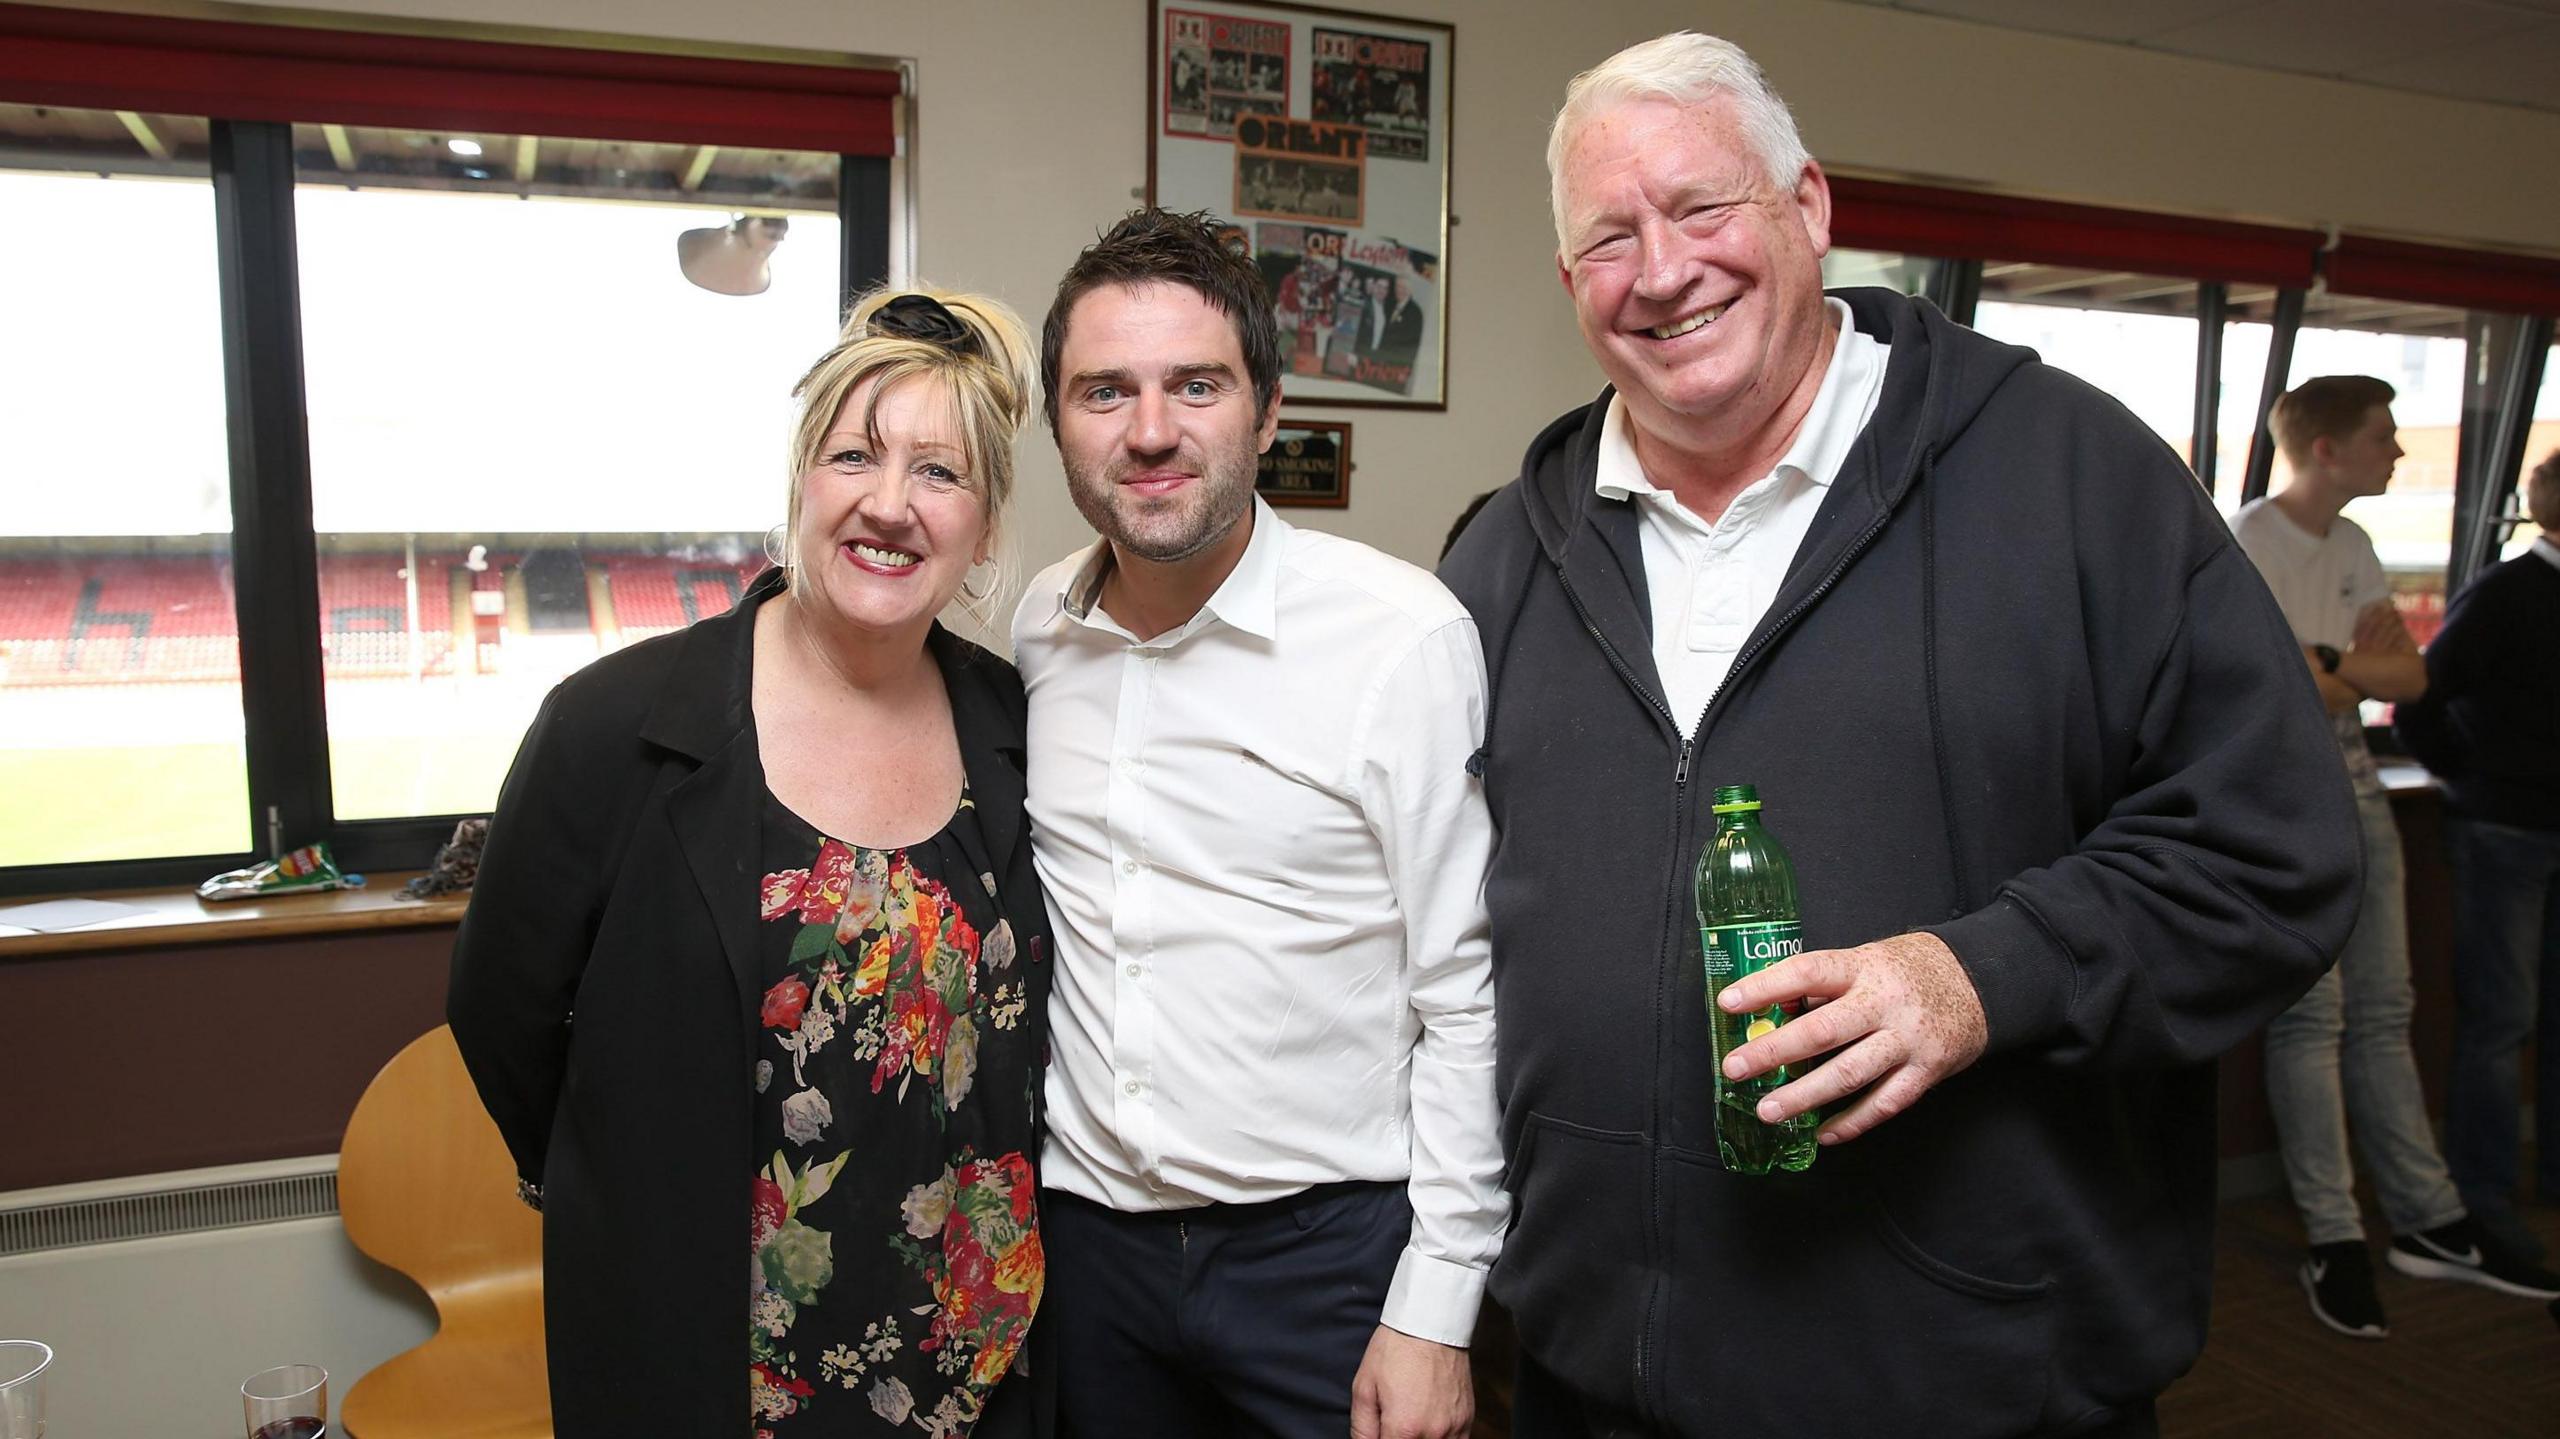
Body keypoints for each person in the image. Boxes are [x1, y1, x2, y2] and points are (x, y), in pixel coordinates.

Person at [1436, 32, 2361, 1437]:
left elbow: (2272, 850)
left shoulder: (2072, 478)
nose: (1663, 269)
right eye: (1609, 238)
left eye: (1700, 209)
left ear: (1807, 207)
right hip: (1590, 1369)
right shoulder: (1502, 557)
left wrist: (1981, 971)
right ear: (1573, 286)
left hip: (1969, 1377)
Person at [448, 288, 1053, 1436]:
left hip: (981, 1368)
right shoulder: (611, 726)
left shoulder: (1021, 726)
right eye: (853, 455)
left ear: (982, 520)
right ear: (800, 479)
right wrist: (633, 1177)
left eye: (940, 472)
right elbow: (501, 1016)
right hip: (712, 1368)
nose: (890, 504)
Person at [1015, 207, 1503, 1439]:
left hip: (1331, 1259)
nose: (1151, 431)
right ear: (1056, 423)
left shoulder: (1402, 638)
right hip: (1088, 1252)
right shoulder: (1034, 631)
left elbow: (1468, 992)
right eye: (1102, 391)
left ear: (1268, 410)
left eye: (1195, 384)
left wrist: (1435, 1308)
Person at [2234, 377, 2560, 1337]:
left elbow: (2405, 677)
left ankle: (2429, 1221)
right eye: (2384, 436)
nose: (2400, 454)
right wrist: (2341, 665)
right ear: (2327, 448)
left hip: (2366, 798)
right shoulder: (2250, 539)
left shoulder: (2357, 544)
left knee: (2388, 1010)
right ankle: (2335, 1238)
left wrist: (2321, 661)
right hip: (2282, 809)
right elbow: (2266, 684)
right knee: (2314, 1020)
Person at [2395, 448, 2560, 1263]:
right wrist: (2471, 777)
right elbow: (2419, 694)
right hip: (2504, 832)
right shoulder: (2500, 594)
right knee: (2504, 1017)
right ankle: (2484, 1193)